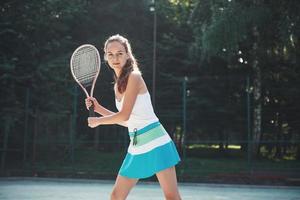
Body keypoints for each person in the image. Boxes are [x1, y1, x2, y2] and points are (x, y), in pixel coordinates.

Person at [86, 34, 181, 200]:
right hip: (137, 144)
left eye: (120, 53)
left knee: (171, 197)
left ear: (128, 54)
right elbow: (127, 122)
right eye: (110, 54)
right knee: (116, 196)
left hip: (156, 141)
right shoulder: (117, 86)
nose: (115, 58)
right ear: (106, 57)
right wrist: (99, 108)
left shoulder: (134, 77)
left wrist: (98, 121)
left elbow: (124, 115)